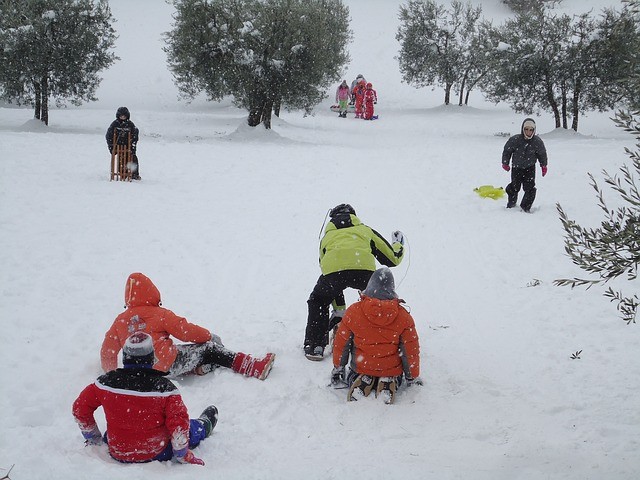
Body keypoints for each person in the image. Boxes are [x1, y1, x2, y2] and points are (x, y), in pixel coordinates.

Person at [73, 332, 218, 464]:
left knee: (116, 432)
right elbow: (179, 426)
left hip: (118, 450)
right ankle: (204, 425)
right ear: (151, 358)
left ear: (125, 357)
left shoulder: (104, 384)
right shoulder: (165, 389)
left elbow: (79, 408)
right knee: (190, 429)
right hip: (158, 451)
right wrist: (182, 454)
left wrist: (94, 439)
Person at [101, 272, 275, 380]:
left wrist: (112, 374)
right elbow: (186, 331)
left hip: (140, 373)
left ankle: (201, 368)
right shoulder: (160, 314)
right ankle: (253, 367)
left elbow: (107, 351)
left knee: (181, 351)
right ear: (152, 293)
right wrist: (208, 336)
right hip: (167, 366)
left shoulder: (120, 320)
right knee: (210, 349)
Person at [303, 204, 405, 361]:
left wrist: (339, 310)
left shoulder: (326, 238)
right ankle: (385, 340)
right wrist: (398, 243)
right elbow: (393, 259)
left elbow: (326, 269)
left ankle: (315, 345)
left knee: (319, 299)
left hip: (333, 274)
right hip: (363, 271)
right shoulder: (365, 230)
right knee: (378, 302)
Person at [331, 267, 422, 404]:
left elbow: (342, 344)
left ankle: (362, 379)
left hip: (361, 366)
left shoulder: (354, 311)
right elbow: (410, 351)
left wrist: (338, 367)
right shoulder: (403, 316)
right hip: (391, 370)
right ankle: (387, 381)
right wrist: (412, 377)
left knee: (356, 374)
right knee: (392, 375)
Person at [501, 117, 548, 212]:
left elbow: (542, 154)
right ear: (523, 129)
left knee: (530, 188)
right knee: (514, 187)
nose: (528, 132)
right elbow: (507, 151)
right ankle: (511, 204)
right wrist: (505, 163)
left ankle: (525, 207)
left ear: (534, 131)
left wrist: (543, 165)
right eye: (526, 129)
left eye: (531, 130)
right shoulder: (515, 139)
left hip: (530, 168)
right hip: (516, 167)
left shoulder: (537, 142)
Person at [106, 106, 141, 180]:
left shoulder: (130, 124)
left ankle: (134, 174)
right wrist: (111, 146)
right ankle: (123, 173)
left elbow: (135, 134)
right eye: (121, 116)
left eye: (124, 116)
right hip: (118, 146)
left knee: (133, 158)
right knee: (121, 159)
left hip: (128, 145)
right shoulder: (115, 124)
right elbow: (109, 135)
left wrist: (133, 146)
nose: (122, 117)